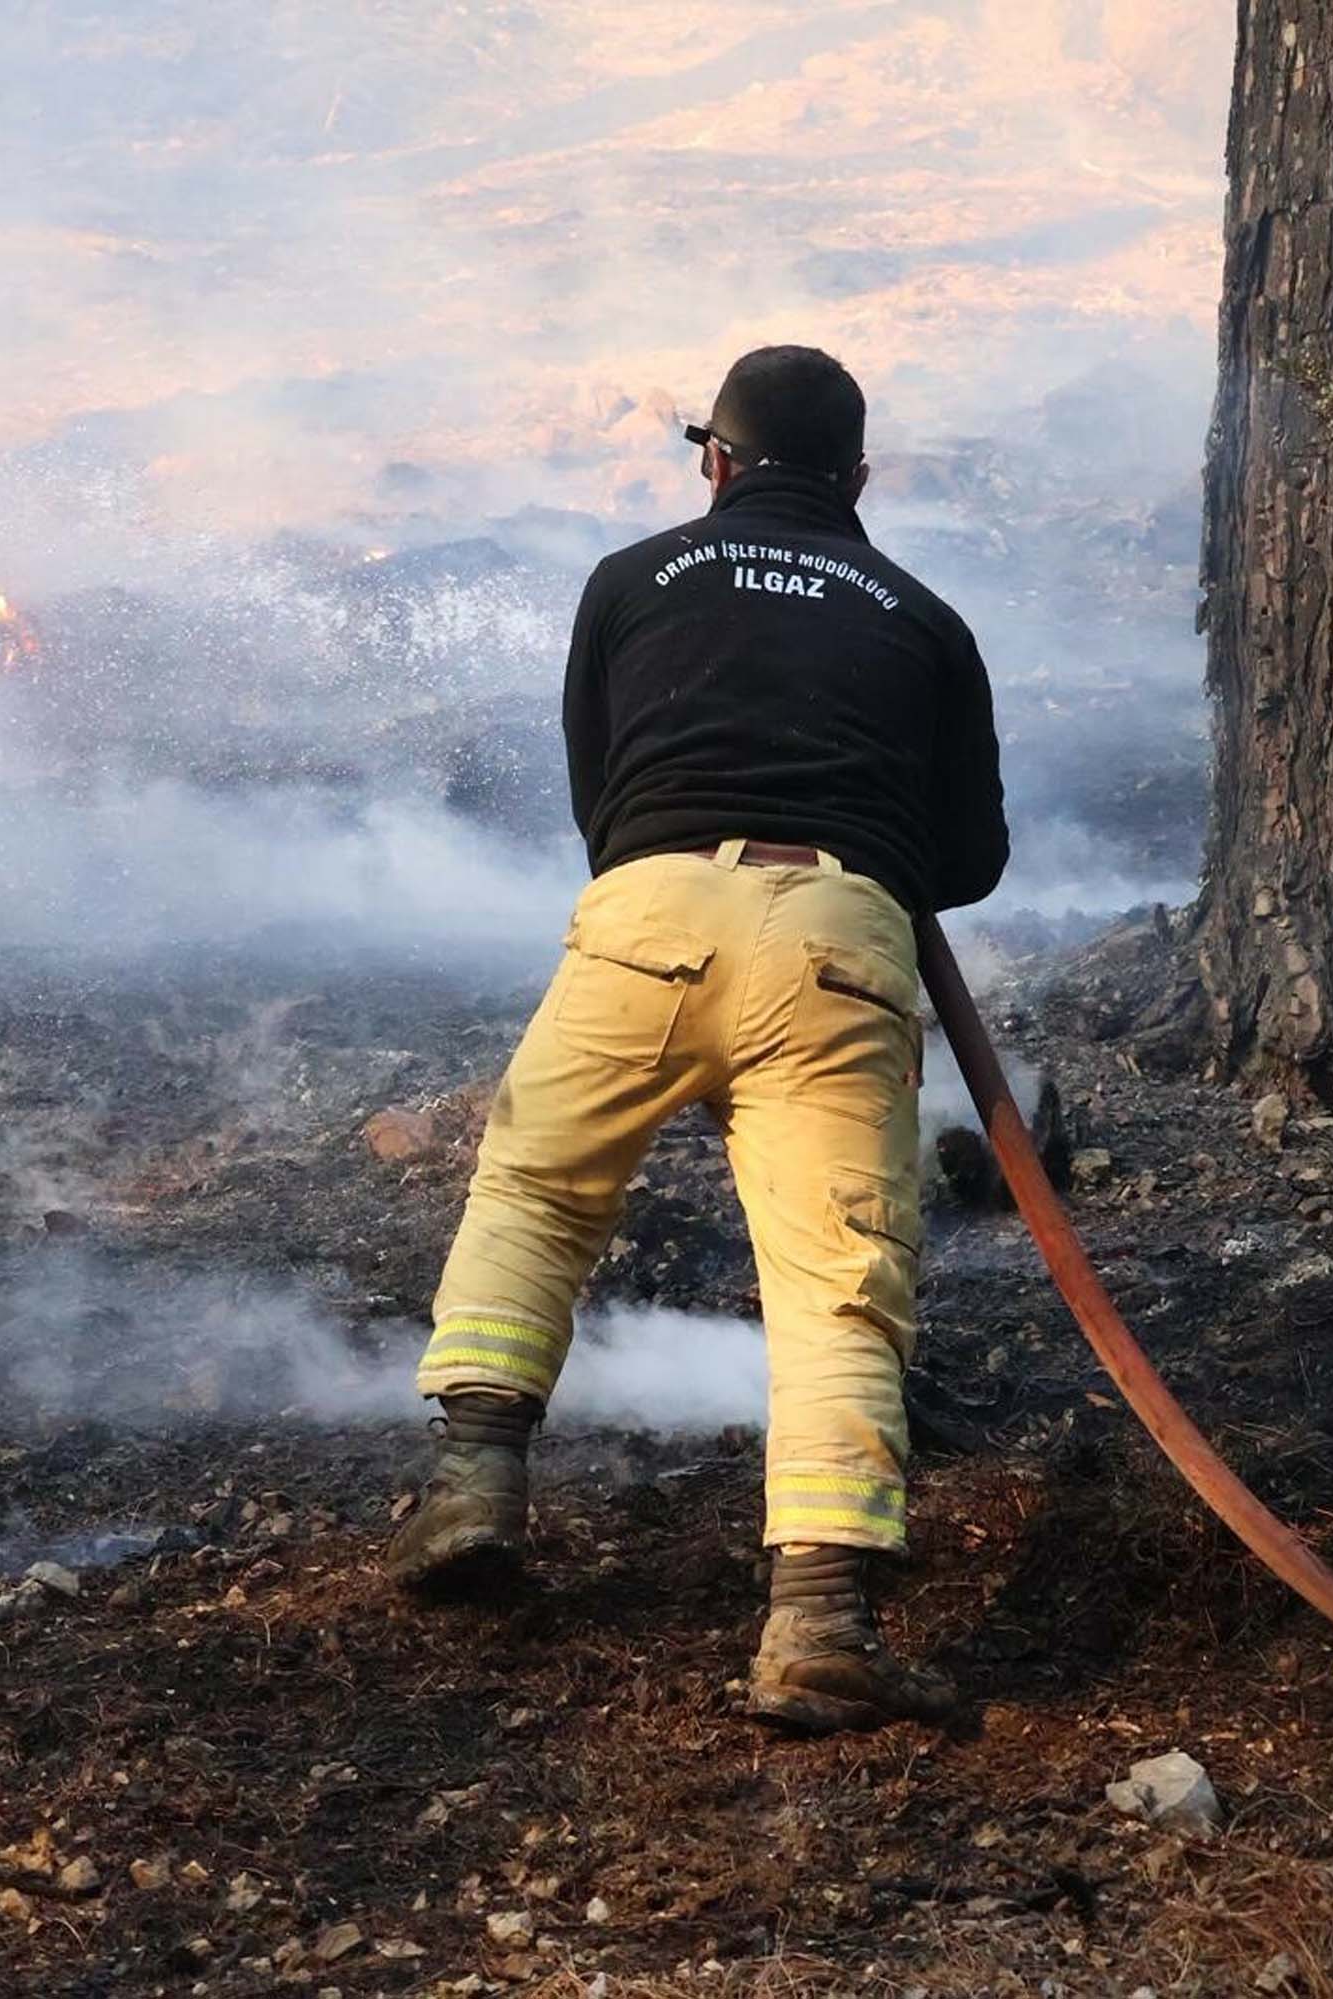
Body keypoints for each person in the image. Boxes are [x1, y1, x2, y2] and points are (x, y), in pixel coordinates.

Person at [383, 345, 1008, 1736]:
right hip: (839, 943)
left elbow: (602, 793)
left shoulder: (632, 579)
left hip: (645, 913)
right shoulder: (926, 618)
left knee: (536, 1191)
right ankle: (818, 1629)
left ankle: (475, 1488)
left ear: (714, 460)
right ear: (858, 481)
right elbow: (967, 861)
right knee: (839, 1286)